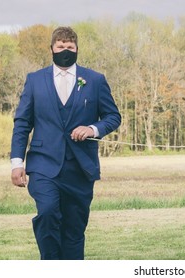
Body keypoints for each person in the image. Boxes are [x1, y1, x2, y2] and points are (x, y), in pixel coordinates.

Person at [10, 26, 121, 260]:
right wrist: (16, 162)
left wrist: (92, 128)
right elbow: (22, 123)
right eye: (60, 47)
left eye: (70, 47)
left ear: (77, 49)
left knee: (74, 229)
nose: (65, 51)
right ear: (52, 49)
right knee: (48, 212)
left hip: (80, 168)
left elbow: (113, 117)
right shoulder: (34, 80)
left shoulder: (95, 80)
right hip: (43, 166)